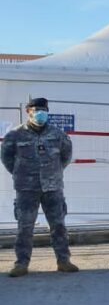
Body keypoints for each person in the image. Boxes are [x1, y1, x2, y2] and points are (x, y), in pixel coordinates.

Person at [1, 97, 78, 277]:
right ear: (29, 112)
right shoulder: (14, 135)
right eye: (36, 110)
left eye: (43, 110)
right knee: (25, 227)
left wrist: (54, 172)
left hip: (53, 187)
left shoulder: (58, 135)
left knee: (58, 226)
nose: (40, 113)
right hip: (26, 188)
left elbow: (66, 157)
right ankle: (21, 264)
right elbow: (6, 158)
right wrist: (21, 173)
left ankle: (63, 261)